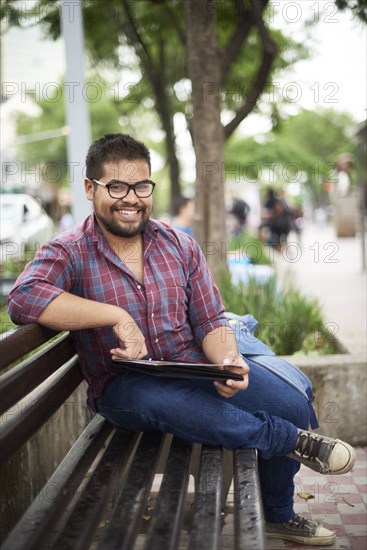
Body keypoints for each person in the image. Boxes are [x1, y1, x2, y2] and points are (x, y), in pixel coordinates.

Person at [7, 134, 355, 547]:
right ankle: (290, 441)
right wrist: (114, 315)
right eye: (116, 187)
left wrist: (228, 359)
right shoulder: (70, 251)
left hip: (194, 368)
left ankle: (279, 514)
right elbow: (23, 297)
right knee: (162, 402)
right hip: (124, 387)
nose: (130, 198)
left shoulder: (179, 244)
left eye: (141, 186)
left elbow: (210, 319)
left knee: (291, 401)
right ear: (90, 188)